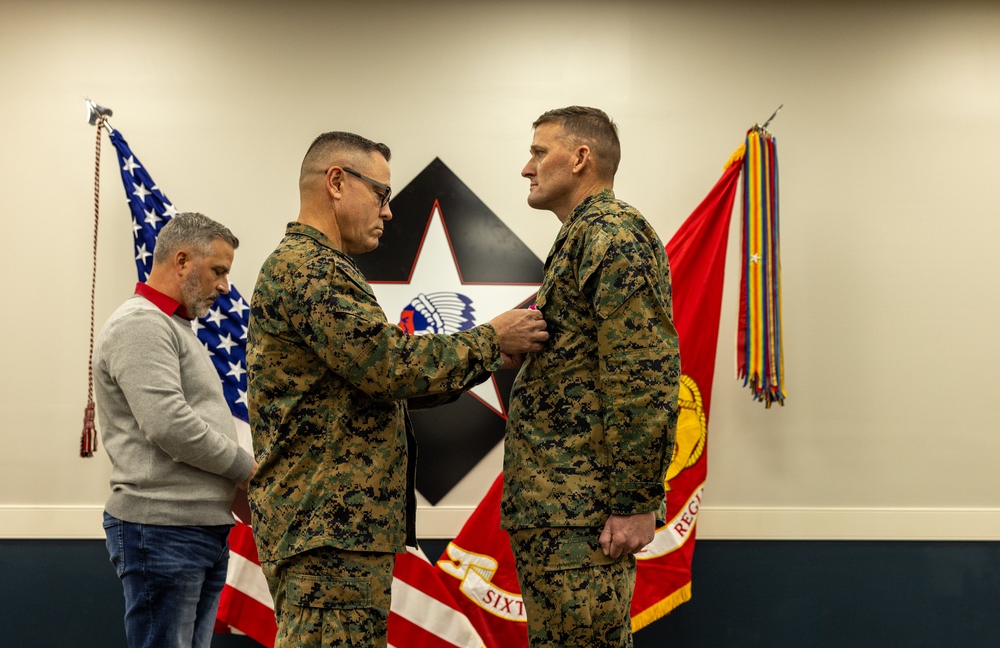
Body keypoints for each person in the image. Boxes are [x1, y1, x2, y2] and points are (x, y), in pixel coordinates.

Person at [247, 130, 548, 648]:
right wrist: (488, 339)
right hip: (327, 530)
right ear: (337, 182)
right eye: (382, 194)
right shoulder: (310, 270)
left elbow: (383, 385)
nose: (388, 211)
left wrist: (491, 353)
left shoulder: (325, 270)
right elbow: (388, 366)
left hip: (337, 530)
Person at [501, 106, 681, 647]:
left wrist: (634, 502)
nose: (526, 168)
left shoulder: (611, 235)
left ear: (580, 158)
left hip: (586, 516)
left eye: (538, 152)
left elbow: (644, 376)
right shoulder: (580, 236)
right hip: (558, 511)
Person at [95, 212, 258, 648]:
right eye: (219, 271)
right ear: (182, 260)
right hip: (163, 531)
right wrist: (246, 469)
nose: (225, 286)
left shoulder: (173, 325)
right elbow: (169, 425)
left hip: (193, 530)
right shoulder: (141, 324)